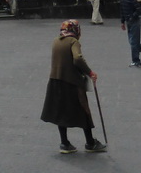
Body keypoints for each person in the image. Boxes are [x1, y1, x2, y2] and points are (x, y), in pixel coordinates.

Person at [39, 19, 106, 154]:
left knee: (60, 111)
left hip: (55, 81)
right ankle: (90, 142)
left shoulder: (56, 41)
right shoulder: (73, 41)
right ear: (76, 30)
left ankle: (64, 143)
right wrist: (90, 72)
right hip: (71, 82)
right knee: (83, 109)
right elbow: (77, 58)